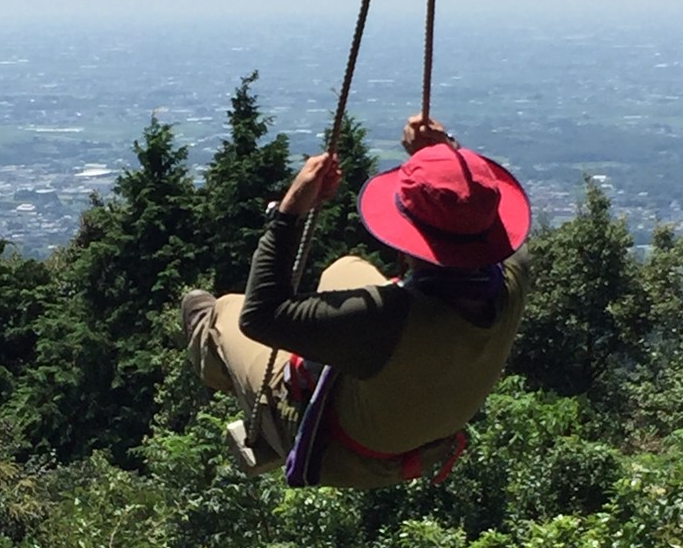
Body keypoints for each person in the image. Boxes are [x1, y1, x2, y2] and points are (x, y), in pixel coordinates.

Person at [182, 116, 531, 488]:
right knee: (344, 268)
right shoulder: (512, 275)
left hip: (347, 455)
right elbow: (474, 210)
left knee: (219, 311)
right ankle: (323, 357)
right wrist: (443, 159)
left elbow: (261, 316)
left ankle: (247, 394)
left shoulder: (387, 317)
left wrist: (287, 213)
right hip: (423, 424)